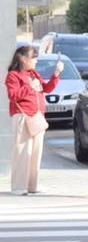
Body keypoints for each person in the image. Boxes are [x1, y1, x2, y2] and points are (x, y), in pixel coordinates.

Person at [6, 46, 60, 195]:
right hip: (23, 116)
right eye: (34, 57)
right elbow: (13, 95)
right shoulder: (13, 75)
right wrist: (29, 87)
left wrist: (56, 75)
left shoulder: (34, 74)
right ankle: (18, 187)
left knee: (35, 152)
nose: (36, 60)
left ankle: (32, 186)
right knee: (23, 152)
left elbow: (47, 89)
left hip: (37, 117)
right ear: (24, 59)